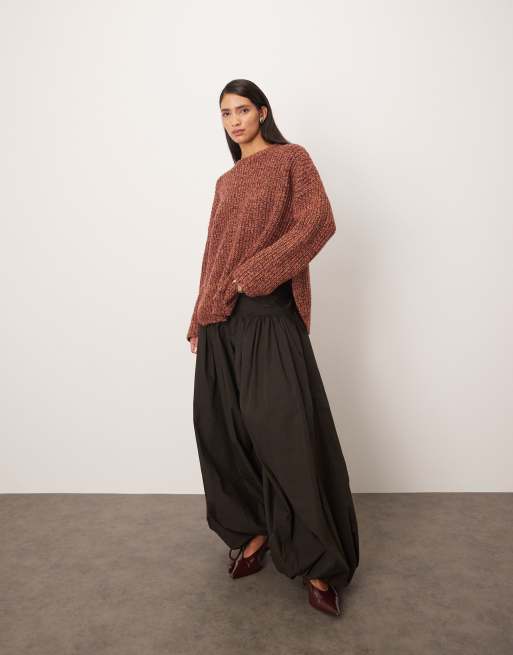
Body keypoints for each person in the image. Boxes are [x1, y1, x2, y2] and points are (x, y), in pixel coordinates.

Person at [186, 79, 359, 617]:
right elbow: (215, 251)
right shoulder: (225, 182)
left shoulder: (291, 160)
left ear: (263, 112)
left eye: (242, 110)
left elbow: (318, 222)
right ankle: (253, 532)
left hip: (266, 313)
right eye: (225, 113)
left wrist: (254, 275)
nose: (234, 120)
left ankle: (318, 562)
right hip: (221, 320)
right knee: (222, 431)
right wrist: (199, 315)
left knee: (284, 434)